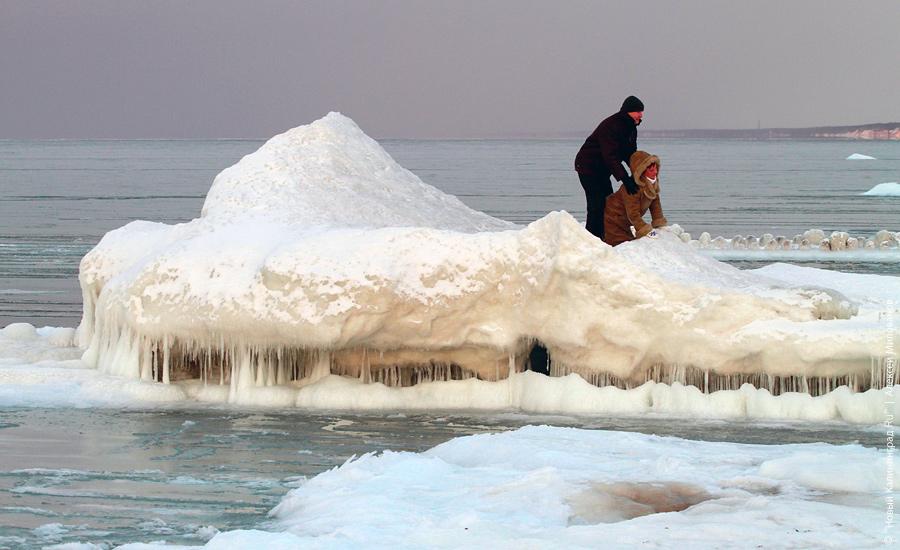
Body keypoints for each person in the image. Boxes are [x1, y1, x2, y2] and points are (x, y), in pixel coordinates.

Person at [574, 95, 645, 239]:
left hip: (602, 171)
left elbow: (630, 153)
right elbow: (610, 155)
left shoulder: (631, 127)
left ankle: (607, 236)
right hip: (588, 167)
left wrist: (637, 172)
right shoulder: (611, 125)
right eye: (638, 111)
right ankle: (592, 239)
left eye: (641, 111)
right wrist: (625, 179)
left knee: (609, 203)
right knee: (596, 205)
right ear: (628, 111)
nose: (641, 115)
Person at [603, 150, 667, 246]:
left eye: (656, 168)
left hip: (627, 221)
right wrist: (644, 228)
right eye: (651, 170)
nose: (655, 172)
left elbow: (655, 204)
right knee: (619, 244)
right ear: (642, 171)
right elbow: (633, 213)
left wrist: (658, 221)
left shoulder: (652, 184)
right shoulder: (632, 188)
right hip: (614, 217)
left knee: (630, 240)